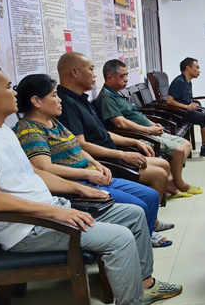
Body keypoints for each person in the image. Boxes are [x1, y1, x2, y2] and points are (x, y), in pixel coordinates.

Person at [0, 63, 182, 305]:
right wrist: (55, 212)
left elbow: (36, 173)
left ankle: (145, 284)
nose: (14, 93)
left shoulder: (1, 131)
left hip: (50, 212)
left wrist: (79, 189)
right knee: (120, 238)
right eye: (7, 87)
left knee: (133, 214)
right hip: (26, 230)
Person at [13, 74, 172, 248]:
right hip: (76, 184)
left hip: (92, 175)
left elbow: (77, 148)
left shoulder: (53, 121)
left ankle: (144, 236)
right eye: (54, 95)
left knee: (151, 196)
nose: (59, 100)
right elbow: (44, 168)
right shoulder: (29, 130)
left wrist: (97, 164)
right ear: (36, 101)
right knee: (139, 206)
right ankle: (137, 243)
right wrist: (87, 174)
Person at [55, 52, 173, 199]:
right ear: (75, 72)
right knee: (160, 175)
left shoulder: (81, 100)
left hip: (112, 153)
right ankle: (148, 211)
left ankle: (150, 206)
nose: (95, 75)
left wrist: (134, 142)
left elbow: (103, 132)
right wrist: (122, 155)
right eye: (91, 69)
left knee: (164, 164)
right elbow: (81, 145)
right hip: (102, 161)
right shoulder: (66, 104)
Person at [94, 59, 201, 199]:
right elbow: (121, 124)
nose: (126, 79)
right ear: (109, 78)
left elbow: (137, 115)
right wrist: (148, 131)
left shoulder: (118, 93)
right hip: (137, 135)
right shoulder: (106, 98)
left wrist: (152, 124)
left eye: (126, 75)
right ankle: (178, 183)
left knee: (186, 144)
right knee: (179, 150)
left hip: (147, 130)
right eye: (122, 76)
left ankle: (172, 181)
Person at [165, 57, 205, 158]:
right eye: (196, 67)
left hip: (187, 109)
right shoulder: (179, 81)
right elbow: (169, 101)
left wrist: (196, 107)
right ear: (188, 68)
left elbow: (186, 100)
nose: (199, 70)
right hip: (180, 112)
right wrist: (187, 107)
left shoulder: (188, 82)